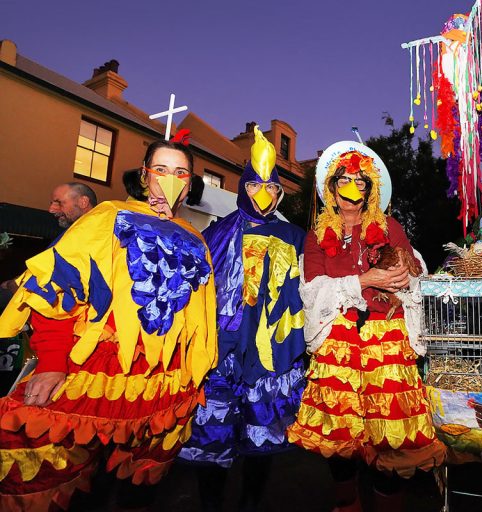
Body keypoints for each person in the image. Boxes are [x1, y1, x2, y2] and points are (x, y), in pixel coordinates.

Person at [0, 133, 217, 510]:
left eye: (181, 172)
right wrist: (52, 363)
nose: (170, 179)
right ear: (145, 175)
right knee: (75, 481)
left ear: (190, 185)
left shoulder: (195, 237)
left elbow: (199, 318)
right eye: (161, 169)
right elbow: (56, 283)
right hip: (100, 368)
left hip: (165, 379)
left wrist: (195, 370)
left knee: (139, 487)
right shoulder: (107, 217)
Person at [286, 141, 445, 512]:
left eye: (361, 182)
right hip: (338, 345)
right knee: (339, 442)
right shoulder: (315, 237)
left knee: (391, 441)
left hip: (387, 343)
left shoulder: (389, 226)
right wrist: (365, 279)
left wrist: (407, 274)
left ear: (371, 189)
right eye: (345, 180)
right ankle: (347, 504)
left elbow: (415, 276)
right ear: (332, 187)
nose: (352, 189)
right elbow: (313, 291)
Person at [178, 127, 306, 510]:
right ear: (243, 187)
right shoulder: (216, 232)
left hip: (270, 355)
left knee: (260, 438)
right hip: (220, 353)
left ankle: (251, 503)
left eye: (273, 188)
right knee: (211, 438)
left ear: (280, 194)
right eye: (256, 186)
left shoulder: (295, 236)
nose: (264, 194)